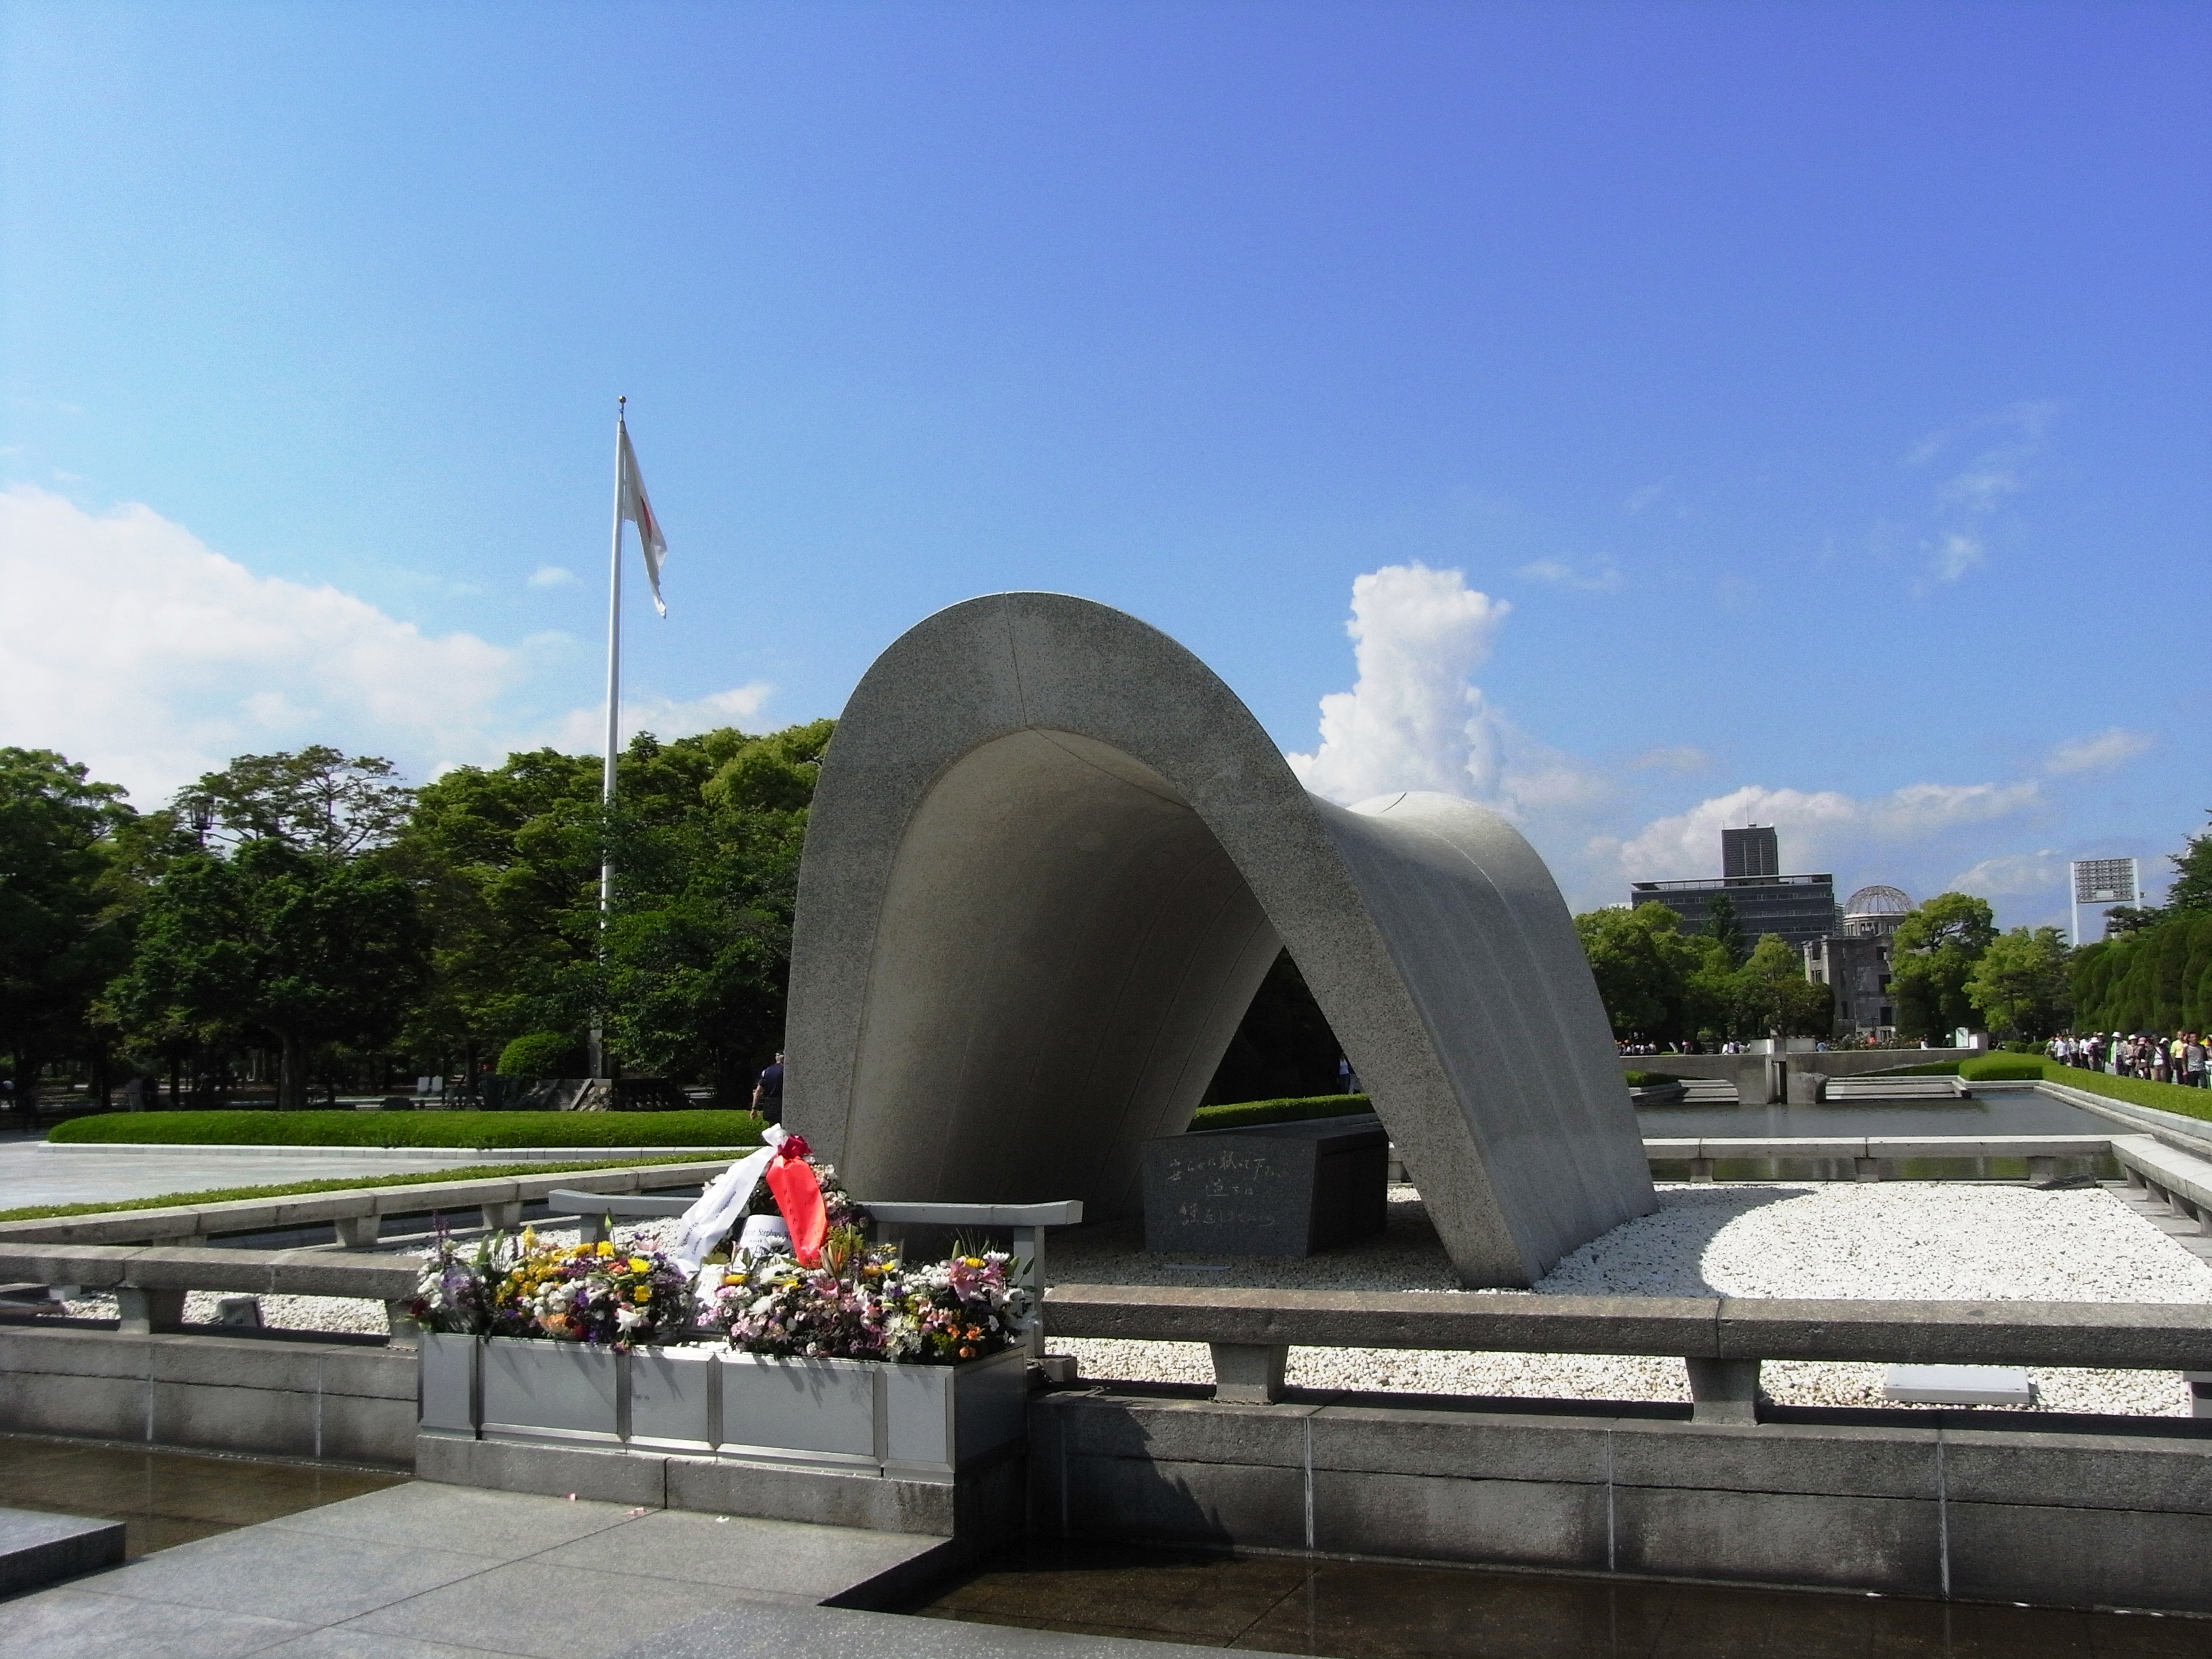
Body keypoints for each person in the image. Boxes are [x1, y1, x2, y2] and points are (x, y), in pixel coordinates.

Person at [752, 1052, 785, 1124]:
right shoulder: (786, 1071)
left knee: (773, 1130)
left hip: (769, 1105)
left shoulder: (767, 1071)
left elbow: (758, 1091)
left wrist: (754, 1109)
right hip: (782, 1105)